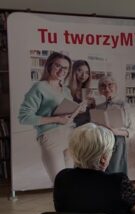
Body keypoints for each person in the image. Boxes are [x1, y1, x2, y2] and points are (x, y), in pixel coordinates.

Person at [18, 52, 86, 182]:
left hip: (69, 136)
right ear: (49, 65)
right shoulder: (39, 87)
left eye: (65, 68)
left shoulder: (65, 90)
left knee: (70, 181)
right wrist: (56, 119)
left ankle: (70, 203)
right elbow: (24, 117)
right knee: (59, 182)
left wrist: (78, 110)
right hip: (51, 137)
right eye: (58, 66)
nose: (62, 70)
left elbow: (68, 116)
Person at [92, 76, 133, 174]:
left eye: (110, 85)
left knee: (115, 171)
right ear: (99, 90)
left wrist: (115, 131)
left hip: (117, 142)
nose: (106, 88)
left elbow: (132, 130)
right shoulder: (98, 106)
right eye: (103, 86)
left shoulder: (124, 105)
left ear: (116, 87)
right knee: (100, 171)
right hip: (101, 142)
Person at [68, 60, 95, 127]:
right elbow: (65, 114)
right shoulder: (67, 90)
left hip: (88, 127)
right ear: (73, 71)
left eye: (86, 72)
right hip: (72, 126)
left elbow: (91, 113)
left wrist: (94, 104)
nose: (83, 75)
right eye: (80, 70)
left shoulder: (88, 91)